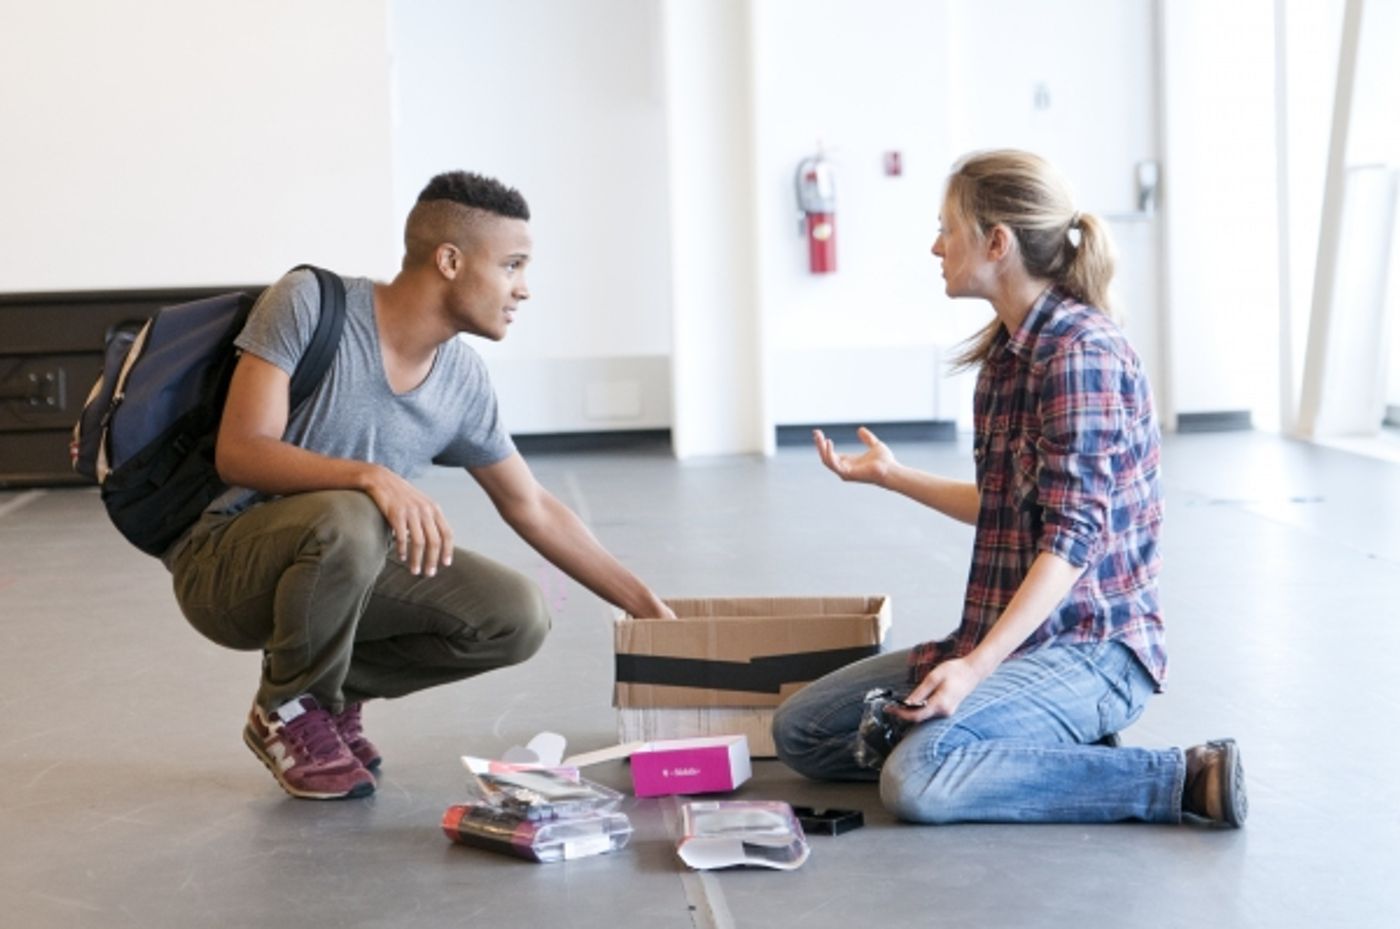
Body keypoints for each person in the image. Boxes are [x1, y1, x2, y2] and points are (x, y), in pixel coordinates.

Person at [771, 149, 1246, 827]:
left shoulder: (1080, 354)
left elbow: (1070, 540)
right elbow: (1004, 507)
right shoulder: (1004, 357)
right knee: (803, 731)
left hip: (1093, 654)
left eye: (947, 229)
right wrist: (893, 476)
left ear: (998, 243)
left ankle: (1180, 777)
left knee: (918, 779)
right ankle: (1031, 749)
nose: (936, 246)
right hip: (1011, 643)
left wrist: (973, 668)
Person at [165, 171, 674, 801]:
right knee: (355, 515)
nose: (524, 288)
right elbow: (241, 451)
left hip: (344, 564)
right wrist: (370, 476)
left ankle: (330, 696)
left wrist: (646, 608)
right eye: (512, 265)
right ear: (450, 261)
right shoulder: (309, 303)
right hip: (226, 565)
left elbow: (532, 506)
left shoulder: (461, 380)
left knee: (516, 616)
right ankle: (290, 708)